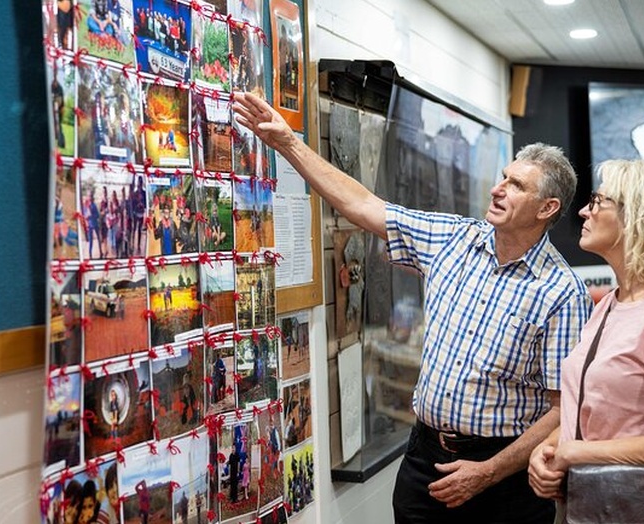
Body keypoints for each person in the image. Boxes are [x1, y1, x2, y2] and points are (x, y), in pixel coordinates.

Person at [233, 92, 592, 524]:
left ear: (547, 208)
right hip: (425, 457)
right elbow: (364, 205)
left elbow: (561, 409)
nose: (498, 189)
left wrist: (488, 472)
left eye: (517, 186)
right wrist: (289, 143)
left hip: (504, 477)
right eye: (503, 177)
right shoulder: (453, 239)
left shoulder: (562, 291)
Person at [527, 160, 644, 524]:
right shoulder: (609, 304)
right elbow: (587, 410)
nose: (583, 210)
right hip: (583, 504)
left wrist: (573, 452)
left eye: (597, 201)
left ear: (638, 217)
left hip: (634, 510)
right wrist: (547, 448)